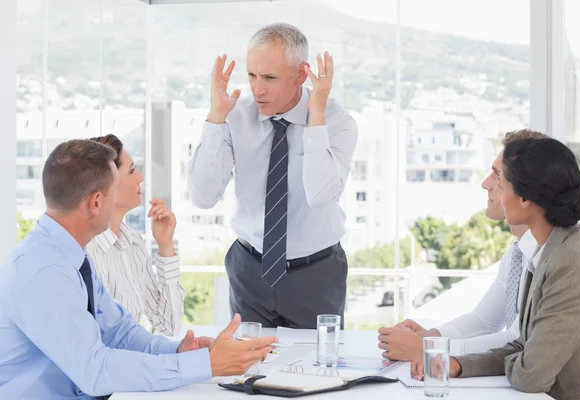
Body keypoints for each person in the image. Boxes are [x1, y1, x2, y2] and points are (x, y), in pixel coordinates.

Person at [0, 139, 276, 399]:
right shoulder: (45, 271)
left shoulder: (70, 254)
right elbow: (94, 371)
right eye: (115, 188)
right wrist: (204, 365)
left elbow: (119, 333)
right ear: (96, 202)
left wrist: (181, 352)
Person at [188, 23, 358, 329]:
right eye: (252, 75)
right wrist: (215, 117)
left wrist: (315, 118)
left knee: (315, 371)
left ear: (300, 75)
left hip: (316, 275)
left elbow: (321, 196)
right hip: (250, 270)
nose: (257, 89)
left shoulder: (337, 122)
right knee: (250, 370)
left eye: (269, 78)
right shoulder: (234, 116)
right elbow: (202, 197)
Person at [416, 137, 580, 400]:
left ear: (524, 198)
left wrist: (522, 360)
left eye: (502, 184)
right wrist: (458, 364)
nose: (497, 195)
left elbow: (531, 375)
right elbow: (524, 347)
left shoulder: (573, 263)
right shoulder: (545, 250)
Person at [378, 129, 546, 361]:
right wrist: (429, 337)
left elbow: (517, 341)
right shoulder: (517, 252)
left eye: (497, 176)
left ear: (524, 188)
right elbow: (484, 321)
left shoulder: (548, 255)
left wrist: (429, 351)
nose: (485, 184)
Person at [87, 134, 184, 336]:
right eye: (131, 171)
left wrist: (166, 247)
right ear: (107, 184)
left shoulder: (133, 243)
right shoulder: (86, 251)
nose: (140, 178)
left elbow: (170, 325)